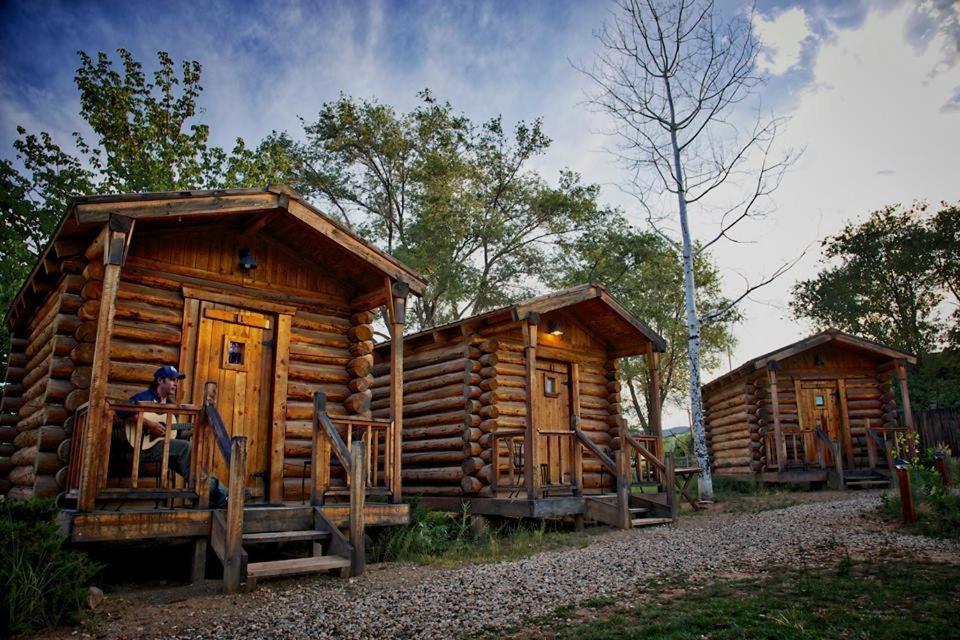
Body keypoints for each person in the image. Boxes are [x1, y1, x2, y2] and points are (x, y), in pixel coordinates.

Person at [124, 366, 229, 507]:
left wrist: (194, 430)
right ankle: (221, 494)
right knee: (186, 449)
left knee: (192, 462)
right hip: (142, 448)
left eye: (177, 381)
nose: (176, 384)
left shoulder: (171, 406)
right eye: (172, 380)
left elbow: (177, 434)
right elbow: (122, 410)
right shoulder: (145, 397)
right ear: (160, 380)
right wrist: (149, 424)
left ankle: (215, 497)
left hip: (165, 449)